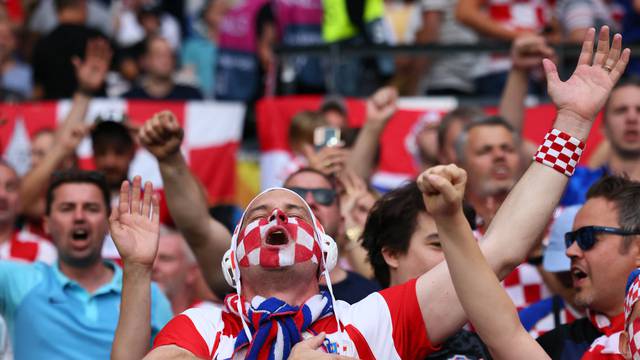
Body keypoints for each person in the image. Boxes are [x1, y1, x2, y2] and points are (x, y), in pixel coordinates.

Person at [130, 26, 629, 358]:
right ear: (232, 257)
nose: (278, 219)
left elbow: (498, 250)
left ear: (326, 252)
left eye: (295, 213)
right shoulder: (202, 327)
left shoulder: (371, 321)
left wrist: (573, 122)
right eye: (261, 213)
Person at [0, 171, 172, 359]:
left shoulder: (148, 293)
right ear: (47, 223)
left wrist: (138, 266)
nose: (79, 216)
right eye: (67, 208)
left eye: (91, 208)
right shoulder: (17, 281)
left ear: (109, 222)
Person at [362, 180, 491, 359]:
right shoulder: (356, 341)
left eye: (463, 245)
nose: (456, 258)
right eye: (438, 244)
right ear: (392, 254)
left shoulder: (484, 344)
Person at [283, 168, 380, 303]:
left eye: (323, 196)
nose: (310, 201)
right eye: (297, 195)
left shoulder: (371, 298)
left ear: (342, 222)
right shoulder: (247, 288)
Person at [561, 78, 640, 206]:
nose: (631, 118)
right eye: (621, 110)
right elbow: (516, 142)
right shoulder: (572, 181)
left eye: (639, 110)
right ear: (603, 127)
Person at [31, 0, 109, 99]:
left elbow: (38, 90)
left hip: (53, 110)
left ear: (57, 10)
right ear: (83, 5)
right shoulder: (99, 42)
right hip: (94, 108)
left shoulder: (42, 44)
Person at [152, 228, 219, 314]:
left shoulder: (211, 317)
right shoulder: (131, 315)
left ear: (191, 272)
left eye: (165, 259)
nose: (153, 266)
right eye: (151, 259)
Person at [123, 36, 203, 100]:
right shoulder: (130, 99)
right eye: (159, 55)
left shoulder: (191, 97)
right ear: (145, 61)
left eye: (169, 54)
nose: (165, 60)